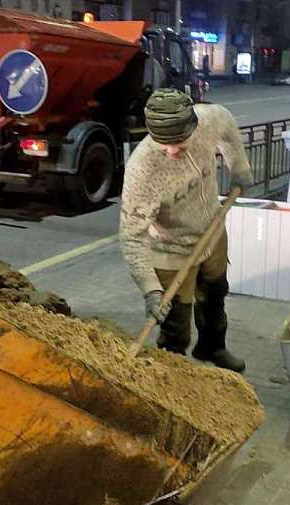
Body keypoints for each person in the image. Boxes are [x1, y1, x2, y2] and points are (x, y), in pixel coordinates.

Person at [119, 88, 253, 372]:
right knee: (174, 321)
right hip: (170, 250)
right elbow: (132, 235)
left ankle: (212, 347)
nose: (172, 151)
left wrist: (239, 166)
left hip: (212, 232)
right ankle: (174, 373)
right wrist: (150, 289)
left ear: (193, 126)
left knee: (215, 295)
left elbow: (227, 121)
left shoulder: (208, 120)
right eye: (163, 144)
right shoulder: (142, 169)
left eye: (179, 142)